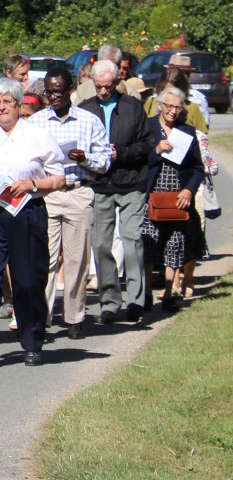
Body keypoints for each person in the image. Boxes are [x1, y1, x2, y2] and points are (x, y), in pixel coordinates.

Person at [0, 77, 66, 369]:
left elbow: (59, 177)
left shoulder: (37, 136)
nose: (2, 106)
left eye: (8, 101)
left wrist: (33, 184)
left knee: (27, 279)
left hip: (27, 212)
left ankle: (32, 343)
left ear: (20, 105)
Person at [30, 68, 111, 339]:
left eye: (57, 92)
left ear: (70, 91)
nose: (51, 97)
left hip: (78, 191)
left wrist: (84, 157)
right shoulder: (37, 123)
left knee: (77, 259)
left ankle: (75, 317)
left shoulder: (89, 121)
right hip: (47, 195)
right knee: (45, 258)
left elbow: (104, 162)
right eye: (48, 92)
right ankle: (42, 317)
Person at [78, 60, 156, 324]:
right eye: (98, 87)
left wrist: (121, 153)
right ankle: (110, 301)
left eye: (108, 86)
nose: (103, 92)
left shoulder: (133, 108)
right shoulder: (85, 109)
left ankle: (135, 300)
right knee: (100, 244)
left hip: (131, 183)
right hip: (100, 184)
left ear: (116, 83)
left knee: (132, 240)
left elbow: (148, 144)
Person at [141, 88, 205, 313]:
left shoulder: (187, 131)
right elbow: (138, 159)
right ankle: (146, 293)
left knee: (175, 245)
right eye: (170, 106)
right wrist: (156, 150)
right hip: (151, 196)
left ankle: (169, 293)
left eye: (178, 107)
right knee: (149, 245)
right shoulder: (147, 127)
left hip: (178, 198)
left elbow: (198, 168)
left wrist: (189, 190)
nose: (174, 111)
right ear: (159, 105)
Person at [143, 68, 208, 134]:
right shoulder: (150, 103)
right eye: (167, 92)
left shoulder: (192, 108)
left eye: (175, 91)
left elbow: (202, 137)